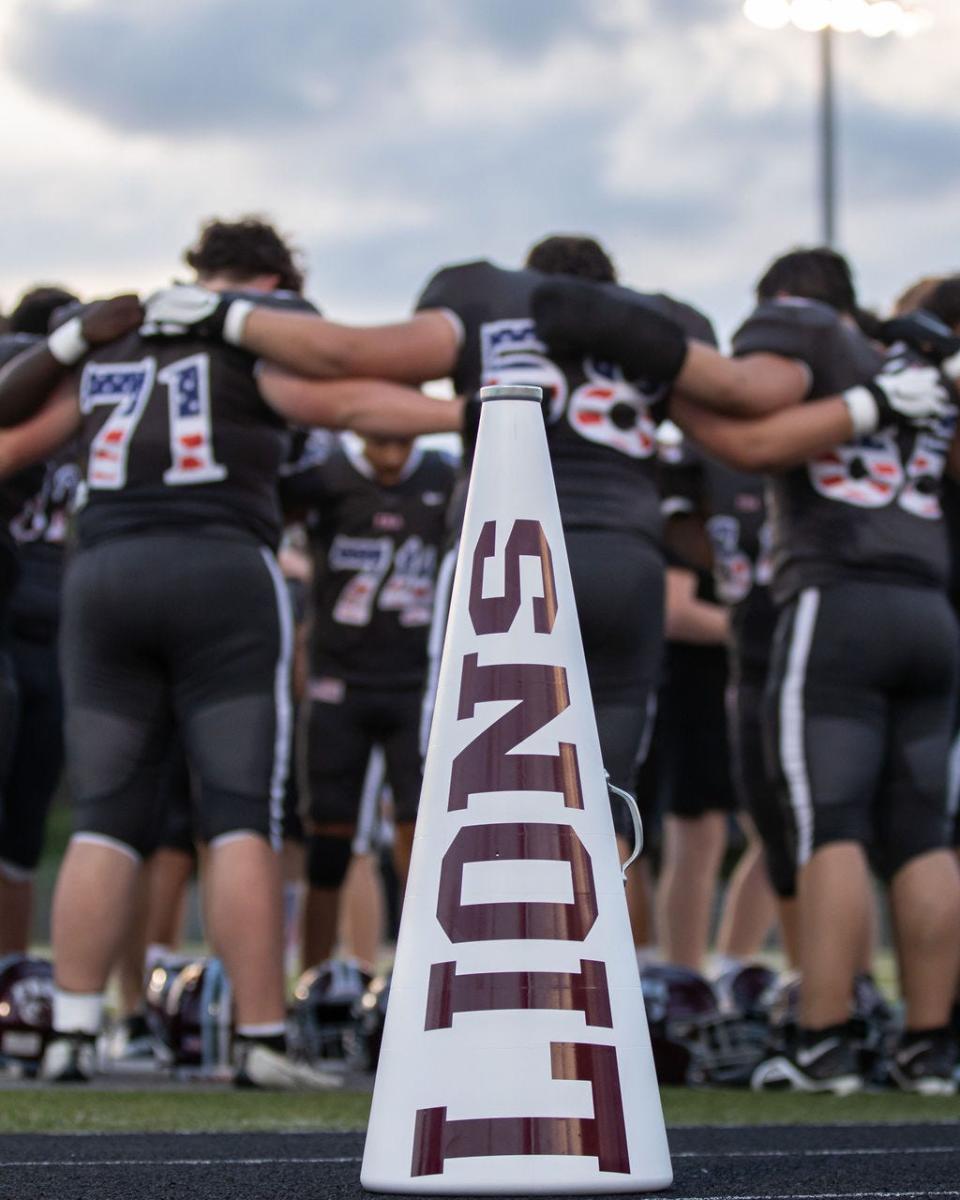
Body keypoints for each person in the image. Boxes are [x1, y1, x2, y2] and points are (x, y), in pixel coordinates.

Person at [0, 217, 461, 1087]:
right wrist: (472, 411)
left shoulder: (114, 341)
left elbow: (15, 442)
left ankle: (67, 1031)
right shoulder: (246, 340)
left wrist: (66, 344)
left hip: (100, 576)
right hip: (219, 570)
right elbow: (350, 402)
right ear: (266, 284)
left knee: (104, 817)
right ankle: (257, 1038)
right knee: (240, 811)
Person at [669, 249, 960, 1094]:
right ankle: (931, 1046)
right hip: (931, 607)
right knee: (922, 833)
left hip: (839, 600)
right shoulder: (923, 366)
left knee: (827, 824)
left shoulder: (816, 341)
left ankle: (825, 1039)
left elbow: (753, 436)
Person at [280, 430, 455, 967]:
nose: (392, 453)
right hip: (341, 684)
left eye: (400, 438)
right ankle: (312, 981)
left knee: (421, 840)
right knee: (328, 843)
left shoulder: (446, 477)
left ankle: (423, 975)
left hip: (417, 686)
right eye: (381, 440)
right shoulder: (324, 479)